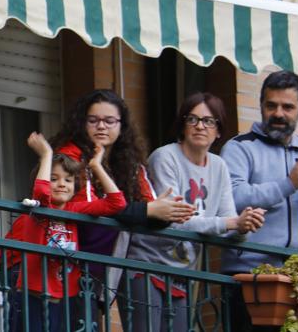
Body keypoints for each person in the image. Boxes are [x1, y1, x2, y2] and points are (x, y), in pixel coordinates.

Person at [124, 93, 266, 331]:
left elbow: (227, 225)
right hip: (146, 264)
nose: (200, 126)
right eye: (193, 119)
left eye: (209, 121)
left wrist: (244, 227)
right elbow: (173, 221)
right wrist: (231, 223)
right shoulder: (165, 157)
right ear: (182, 125)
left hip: (182, 274)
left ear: (218, 131)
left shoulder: (219, 166)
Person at [49, 90, 195, 315]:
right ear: (82, 123)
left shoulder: (130, 166)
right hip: (65, 263)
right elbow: (90, 209)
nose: (101, 126)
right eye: (93, 120)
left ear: (121, 125)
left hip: (99, 272)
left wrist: (165, 211)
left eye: (109, 121)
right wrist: (147, 211)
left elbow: (150, 211)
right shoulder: (70, 156)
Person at [220, 70, 298, 331]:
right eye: (271, 105)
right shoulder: (240, 147)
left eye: (287, 107)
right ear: (261, 105)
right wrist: (290, 183)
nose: (278, 113)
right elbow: (234, 198)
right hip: (248, 274)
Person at [2, 132, 126, 330]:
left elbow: (116, 203)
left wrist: (96, 166)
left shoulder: (74, 211)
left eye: (68, 180)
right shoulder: (39, 209)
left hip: (61, 297)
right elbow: (42, 192)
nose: (61, 184)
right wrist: (46, 155)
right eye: (54, 178)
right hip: (33, 293)